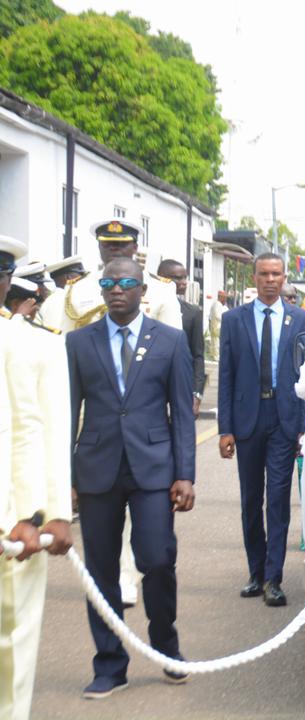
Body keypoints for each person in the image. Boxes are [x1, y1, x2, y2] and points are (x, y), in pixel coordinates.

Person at [66, 257, 195, 699]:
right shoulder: (79, 343)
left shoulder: (171, 341)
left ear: (143, 290)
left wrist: (186, 474)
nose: (116, 289)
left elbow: (182, 413)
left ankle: (165, 645)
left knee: (157, 558)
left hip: (154, 468)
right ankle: (109, 666)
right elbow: (68, 414)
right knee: (99, 571)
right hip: (97, 468)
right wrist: (64, 477)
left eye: (125, 282)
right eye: (108, 282)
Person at [0, 235, 73, 720]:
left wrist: (56, 516)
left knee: (14, 648)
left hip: (19, 524)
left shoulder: (37, 346)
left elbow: (44, 433)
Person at [218, 253, 305, 607]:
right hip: (247, 419)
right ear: (254, 277)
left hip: (283, 418)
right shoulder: (233, 320)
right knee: (250, 501)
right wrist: (224, 429)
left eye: (276, 274)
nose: (270, 280)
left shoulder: (302, 319)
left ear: (284, 277)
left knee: (277, 500)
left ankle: (274, 578)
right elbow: (226, 375)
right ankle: (255, 573)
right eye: (264, 274)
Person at [38, 219, 182, 333]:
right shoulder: (78, 288)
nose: (114, 248)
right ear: (99, 246)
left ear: (135, 247)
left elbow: (172, 342)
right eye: (107, 243)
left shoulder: (162, 289)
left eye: (121, 243)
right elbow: (67, 338)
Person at [157, 260, 206, 415]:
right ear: (161, 278)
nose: (184, 283)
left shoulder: (192, 313)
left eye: (185, 277)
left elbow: (197, 355)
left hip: (180, 384)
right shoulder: (147, 308)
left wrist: (197, 393)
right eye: (177, 278)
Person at [207, 290, 226, 362]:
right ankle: (216, 356)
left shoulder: (216, 304)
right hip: (217, 326)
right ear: (221, 297)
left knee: (215, 341)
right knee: (216, 342)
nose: (225, 300)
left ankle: (214, 355)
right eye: (224, 298)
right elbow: (218, 316)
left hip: (215, 325)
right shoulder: (217, 304)